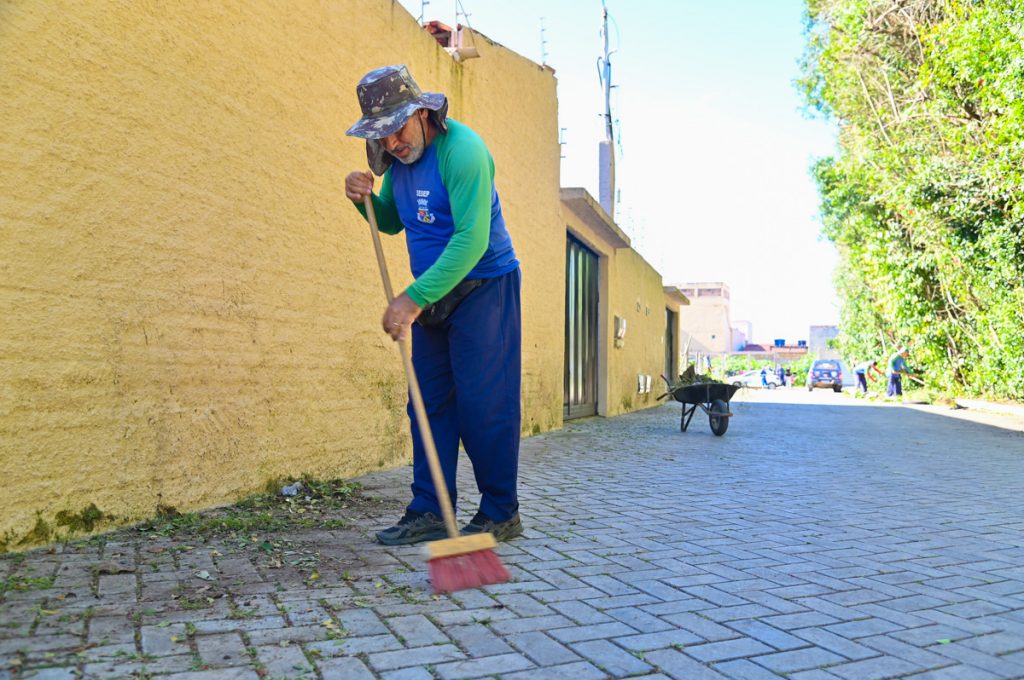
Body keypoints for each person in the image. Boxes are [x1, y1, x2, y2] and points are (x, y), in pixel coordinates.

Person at [343, 65, 523, 545]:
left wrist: (411, 299)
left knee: (483, 405)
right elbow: (392, 222)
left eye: (397, 128)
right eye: (381, 135)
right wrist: (363, 199)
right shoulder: (398, 160)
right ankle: (430, 510)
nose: (392, 143)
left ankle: (501, 511)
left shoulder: (463, 152)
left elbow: (470, 241)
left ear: (422, 113)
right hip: (432, 294)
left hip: (485, 287)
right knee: (427, 404)